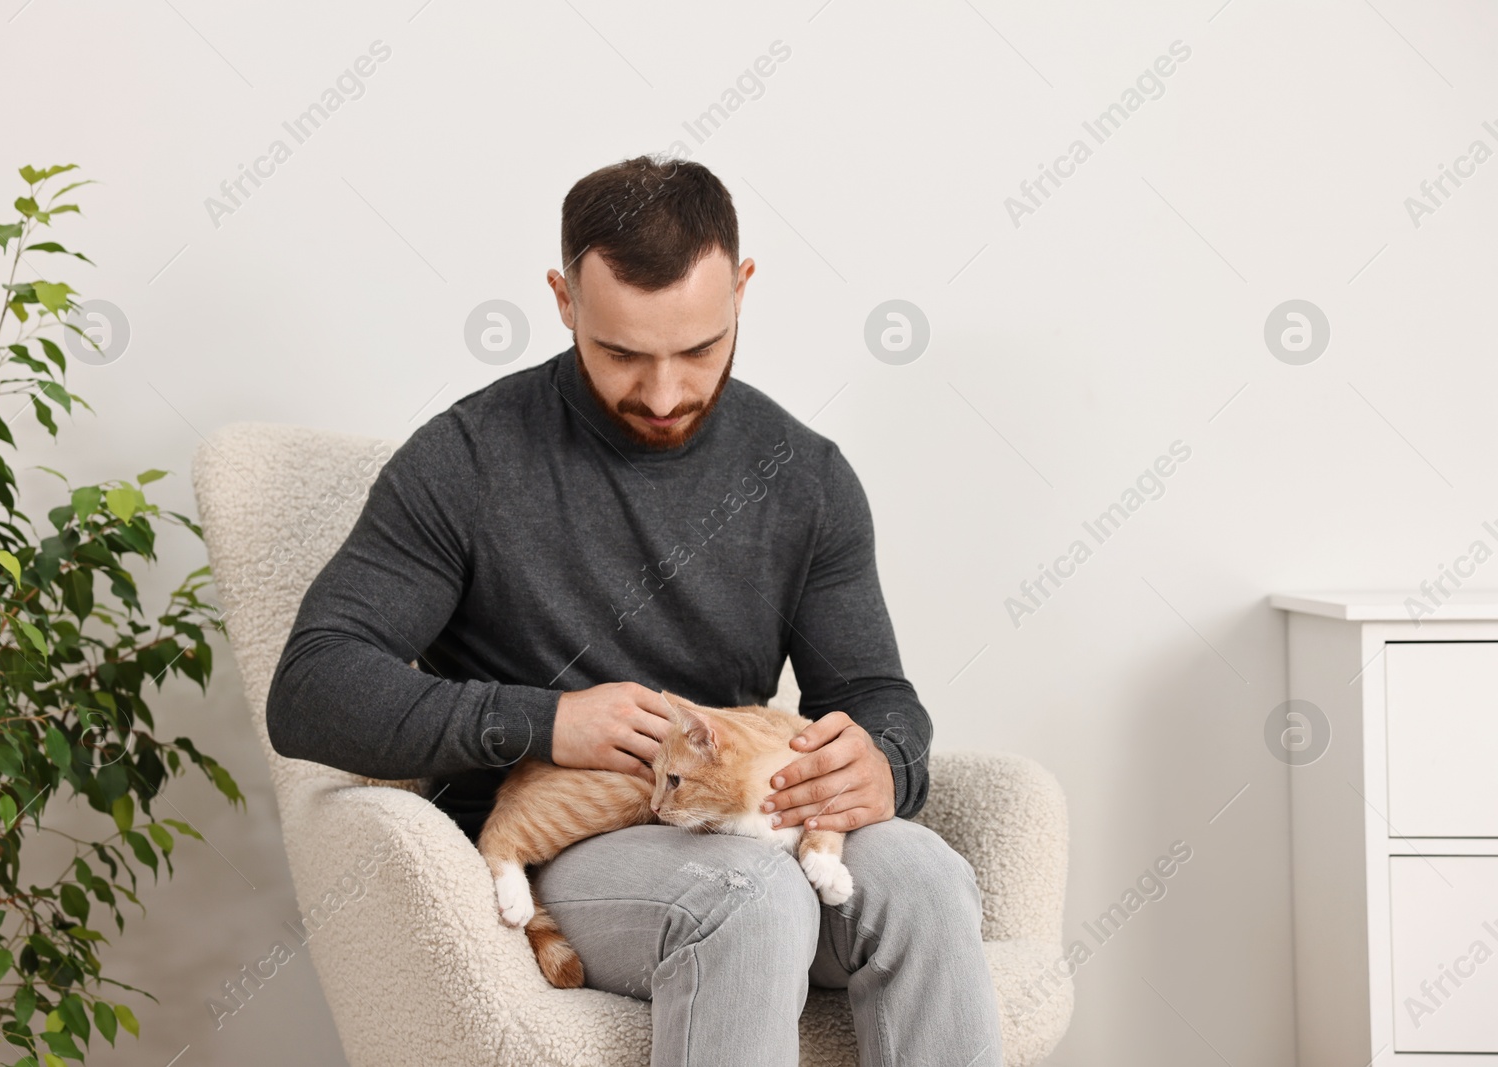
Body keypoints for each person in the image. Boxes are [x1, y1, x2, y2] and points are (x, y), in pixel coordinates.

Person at [265, 154, 1003, 1067]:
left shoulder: (805, 476)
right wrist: (546, 722)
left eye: (699, 349)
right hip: (571, 841)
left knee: (928, 876)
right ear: (565, 299)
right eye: (622, 353)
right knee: (745, 897)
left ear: (742, 289)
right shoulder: (466, 459)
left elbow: (874, 690)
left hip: (739, 815)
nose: (663, 393)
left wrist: (884, 761)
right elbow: (310, 686)